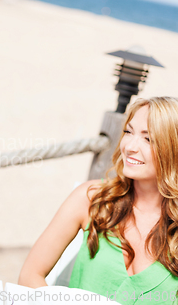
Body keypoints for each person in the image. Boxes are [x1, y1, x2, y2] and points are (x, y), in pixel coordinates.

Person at [19, 97, 178, 304]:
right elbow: (29, 276)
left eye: (148, 139)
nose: (130, 146)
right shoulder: (91, 198)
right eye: (128, 132)